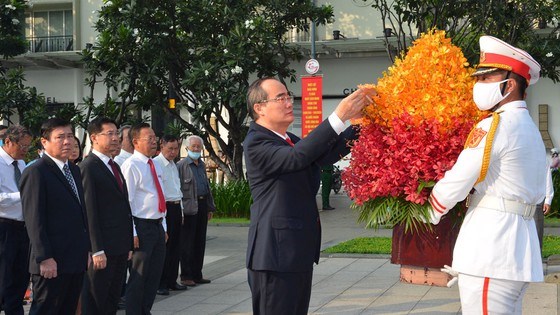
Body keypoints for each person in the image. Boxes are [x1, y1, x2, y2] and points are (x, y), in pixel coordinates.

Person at [427, 36, 546, 314]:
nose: (479, 84)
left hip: (490, 250)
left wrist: (428, 211)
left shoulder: (496, 126)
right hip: (516, 249)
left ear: (510, 84)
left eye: (488, 77)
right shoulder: (528, 128)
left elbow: (459, 179)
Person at [243, 77, 371, 314]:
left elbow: (324, 152)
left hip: (296, 252)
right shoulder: (256, 142)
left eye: (288, 96)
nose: (288, 102)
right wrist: (338, 115)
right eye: (280, 98)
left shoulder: (289, 140)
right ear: (259, 108)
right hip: (274, 256)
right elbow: (298, 157)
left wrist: (362, 123)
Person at [20, 118, 90, 314]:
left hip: (74, 258)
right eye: (60, 137)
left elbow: (80, 212)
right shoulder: (36, 171)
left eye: (69, 136)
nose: (67, 141)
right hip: (51, 261)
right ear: (44, 142)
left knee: (68, 309)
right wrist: (45, 258)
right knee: (46, 309)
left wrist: (87, 249)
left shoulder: (74, 169)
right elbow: (34, 220)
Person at [79, 117, 133, 314]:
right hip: (102, 248)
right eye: (109, 134)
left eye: (116, 133)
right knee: (95, 299)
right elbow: (89, 211)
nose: (115, 138)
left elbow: (123, 207)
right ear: (94, 137)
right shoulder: (88, 167)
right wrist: (96, 249)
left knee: (112, 298)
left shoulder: (114, 165)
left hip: (118, 245)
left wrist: (127, 243)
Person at [121, 123, 167, 314]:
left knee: (153, 276)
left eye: (155, 138)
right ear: (135, 142)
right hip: (141, 227)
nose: (154, 142)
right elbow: (127, 203)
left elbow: (159, 194)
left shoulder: (154, 163)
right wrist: (132, 232)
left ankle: (145, 310)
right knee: (139, 277)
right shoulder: (131, 166)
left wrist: (164, 226)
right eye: (149, 139)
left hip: (157, 226)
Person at [0, 125, 32, 315]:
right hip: (4, 227)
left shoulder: (21, 163)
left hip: (23, 227)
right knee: (4, 278)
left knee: (21, 277)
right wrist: (23, 195)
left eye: (28, 146)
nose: (25, 150)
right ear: (8, 142)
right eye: (22, 146)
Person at [177, 135, 216, 287]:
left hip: (202, 205)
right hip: (188, 208)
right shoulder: (182, 165)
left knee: (200, 241)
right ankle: (186, 275)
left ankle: (197, 274)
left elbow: (206, 187)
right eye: (193, 147)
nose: (196, 149)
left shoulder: (201, 165)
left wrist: (210, 207)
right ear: (187, 148)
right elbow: (177, 189)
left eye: (198, 147)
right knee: (187, 242)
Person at [154, 135, 188, 295]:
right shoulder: (156, 163)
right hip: (164, 209)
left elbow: (177, 189)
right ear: (162, 146)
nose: (173, 152)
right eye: (170, 149)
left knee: (175, 247)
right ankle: (160, 282)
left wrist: (181, 211)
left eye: (176, 149)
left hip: (175, 208)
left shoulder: (174, 165)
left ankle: (172, 280)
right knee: (164, 248)